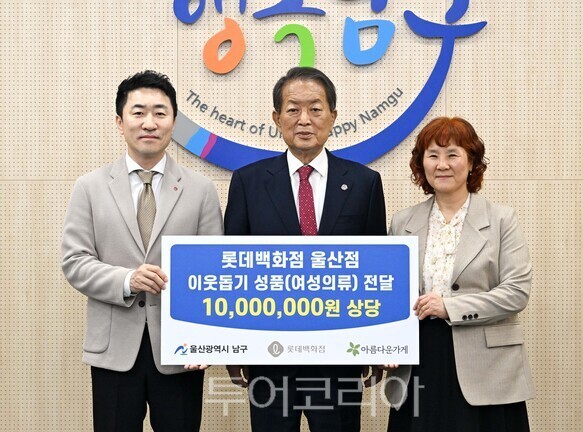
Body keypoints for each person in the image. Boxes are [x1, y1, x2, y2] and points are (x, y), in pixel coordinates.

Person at [224, 66, 387, 432]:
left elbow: (376, 270)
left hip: (339, 356)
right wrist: (234, 348)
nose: (304, 120)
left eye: (315, 108)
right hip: (269, 355)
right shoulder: (249, 182)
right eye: (293, 109)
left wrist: (377, 345)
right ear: (276, 118)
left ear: (333, 116)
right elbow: (234, 271)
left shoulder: (364, 183)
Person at [61, 70, 223, 432]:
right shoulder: (89, 187)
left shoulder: (201, 189)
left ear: (174, 122)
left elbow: (213, 269)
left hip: (180, 349)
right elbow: (74, 262)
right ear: (120, 122)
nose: (149, 122)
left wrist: (207, 341)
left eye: (160, 113)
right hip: (114, 350)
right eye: (138, 112)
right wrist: (127, 280)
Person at [384, 117, 534, 431]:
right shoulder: (402, 222)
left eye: (452, 154)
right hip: (420, 360)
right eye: (433, 155)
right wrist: (387, 342)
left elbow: (516, 293)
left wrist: (449, 307)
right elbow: (390, 293)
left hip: (486, 366)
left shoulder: (501, 220)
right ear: (421, 163)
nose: (442, 164)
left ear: (472, 162)